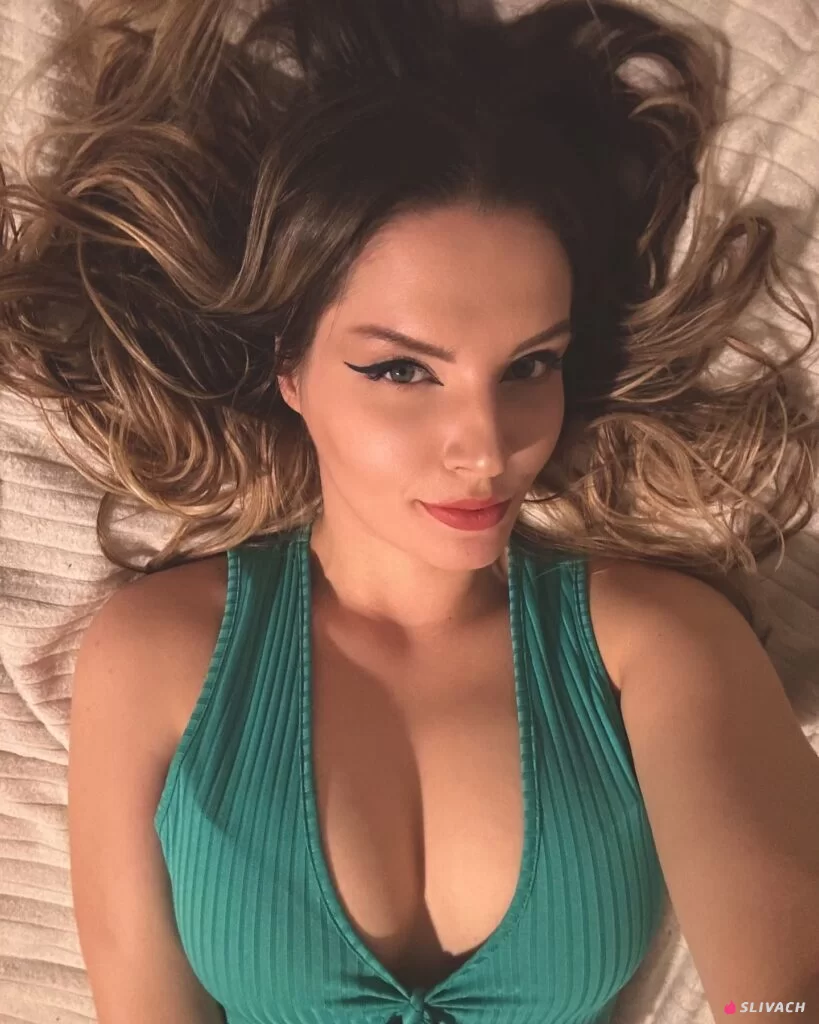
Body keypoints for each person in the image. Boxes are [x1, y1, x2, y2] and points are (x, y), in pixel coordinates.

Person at [1, 0, 818, 1022]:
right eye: (402, 370)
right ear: (289, 367)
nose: (487, 445)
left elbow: (784, 995)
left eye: (529, 366)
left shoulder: (655, 646)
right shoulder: (159, 657)